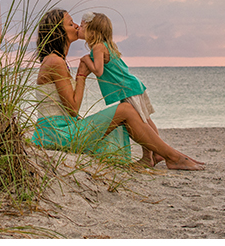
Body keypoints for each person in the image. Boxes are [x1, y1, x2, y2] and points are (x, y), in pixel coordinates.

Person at [31, 9, 203, 170]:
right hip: (56, 134)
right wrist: (81, 76)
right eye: (70, 24)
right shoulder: (54, 62)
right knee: (126, 110)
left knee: (126, 113)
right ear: (58, 32)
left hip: (62, 129)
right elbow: (73, 109)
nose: (76, 25)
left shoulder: (57, 60)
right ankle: (171, 157)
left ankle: (160, 156)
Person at [77, 11, 184, 167]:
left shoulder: (98, 48)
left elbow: (98, 71)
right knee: (146, 119)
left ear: (92, 31)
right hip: (133, 86)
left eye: (82, 26)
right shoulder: (107, 45)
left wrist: (86, 58)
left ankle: (149, 157)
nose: (79, 28)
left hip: (127, 89)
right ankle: (157, 153)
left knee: (142, 122)